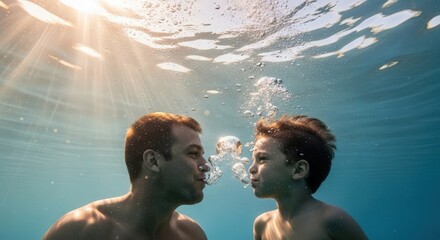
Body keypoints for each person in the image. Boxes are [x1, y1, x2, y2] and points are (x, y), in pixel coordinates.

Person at [43, 112, 210, 240]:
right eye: (193, 154)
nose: (206, 166)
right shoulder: (80, 229)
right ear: (153, 161)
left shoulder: (192, 234)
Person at [248, 115, 368, 240]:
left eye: (262, 159)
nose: (251, 168)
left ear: (299, 170)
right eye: (253, 160)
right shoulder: (262, 225)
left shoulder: (331, 219)